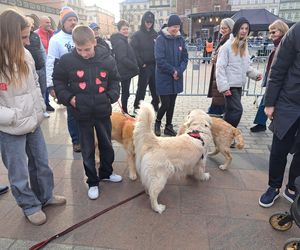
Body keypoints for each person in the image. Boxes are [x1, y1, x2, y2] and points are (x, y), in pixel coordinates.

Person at [0, 10, 66, 226]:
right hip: (10, 128)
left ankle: (45, 196)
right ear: (8, 36)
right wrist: (14, 117)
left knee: (41, 163)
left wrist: (38, 110)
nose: (28, 42)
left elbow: (35, 85)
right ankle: (29, 205)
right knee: (18, 172)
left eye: (28, 36)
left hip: (33, 121)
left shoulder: (26, 54)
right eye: (23, 37)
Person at [53, 25, 122, 200]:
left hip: (102, 109)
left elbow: (115, 80)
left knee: (106, 144)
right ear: (74, 45)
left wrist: (110, 96)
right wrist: (69, 98)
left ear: (94, 42)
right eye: (79, 49)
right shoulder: (67, 60)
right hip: (81, 112)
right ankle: (92, 181)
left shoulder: (107, 58)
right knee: (87, 149)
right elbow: (58, 81)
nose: (84, 53)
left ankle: (106, 172)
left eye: (87, 49)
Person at [259, 21, 300, 208]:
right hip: (288, 102)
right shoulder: (296, 32)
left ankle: (293, 186)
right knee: (279, 148)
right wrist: (269, 102)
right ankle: (273, 187)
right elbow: (278, 68)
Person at [216, 17, 262, 131]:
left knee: (231, 111)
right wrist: (224, 87)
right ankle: (229, 134)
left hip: (238, 85)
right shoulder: (227, 46)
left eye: (246, 28)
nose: (244, 31)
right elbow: (220, 68)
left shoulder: (243, 46)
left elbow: (246, 66)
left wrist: (255, 74)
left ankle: (222, 135)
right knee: (237, 110)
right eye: (242, 28)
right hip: (230, 86)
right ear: (236, 29)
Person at [46, 7, 81, 153]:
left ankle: (88, 137)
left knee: (85, 111)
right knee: (72, 113)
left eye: (74, 20)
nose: (73, 22)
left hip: (84, 80)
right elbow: (50, 62)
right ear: (63, 22)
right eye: (69, 20)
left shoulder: (80, 35)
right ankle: (76, 140)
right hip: (67, 83)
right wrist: (51, 85)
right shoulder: (56, 39)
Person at [250, 20, 289, 133]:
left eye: (273, 32)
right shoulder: (279, 45)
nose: (271, 35)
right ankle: (261, 123)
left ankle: (265, 125)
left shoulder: (285, 46)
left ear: (282, 31)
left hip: (279, 81)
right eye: (270, 32)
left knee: (267, 102)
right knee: (265, 101)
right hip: (274, 80)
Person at [154, 14, 188, 136]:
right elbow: (160, 60)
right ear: (168, 26)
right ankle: (157, 122)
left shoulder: (180, 40)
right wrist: (173, 71)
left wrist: (179, 71)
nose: (175, 29)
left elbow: (185, 58)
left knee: (172, 103)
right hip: (164, 78)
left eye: (178, 26)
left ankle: (169, 126)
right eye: (173, 26)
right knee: (165, 103)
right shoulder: (160, 39)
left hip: (176, 78)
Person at [130, 11, 160, 114]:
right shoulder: (137, 35)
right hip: (144, 66)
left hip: (154, 66)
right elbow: (133, 50)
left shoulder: (155, 34)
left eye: (151, 22)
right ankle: (137, 107)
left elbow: (159, 49)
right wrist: (140, 62)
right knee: (141, 89)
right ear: (143, 21)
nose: (149, 23)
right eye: (147, 21)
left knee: (155, 88)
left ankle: (155, 105)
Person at [110, 19, 139, 114]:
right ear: (119, 30)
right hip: (124, 71)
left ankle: (124, 111)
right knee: (125, 93)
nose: (126, 31)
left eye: (127, 29)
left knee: (126, 93)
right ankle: (124, 112)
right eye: (123, 29)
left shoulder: (123, 40)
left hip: (125, 71)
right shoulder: (120, 42)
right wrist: (134, 66)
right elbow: (122, 58)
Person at [207, 18, 234, 116]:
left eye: (225, 28)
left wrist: (216, 58)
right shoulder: (223, 39)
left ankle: (215, 114)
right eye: (221, 28)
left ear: (230, 28)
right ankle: (215, 112)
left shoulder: (229, 41)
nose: (222, 30)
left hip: (223, 73)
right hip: (219, 72)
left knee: (219, 97)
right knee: (218, 96)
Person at [25, 16, 49, 118]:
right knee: (30, 91)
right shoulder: (21, 36)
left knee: (42, 89)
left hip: (41, 68)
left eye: (33, 24)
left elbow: (42, 50)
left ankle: (42, 109)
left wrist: (46, 64)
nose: (33, 26)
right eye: (31, 24)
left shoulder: (35, 35)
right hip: (28, 70)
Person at [35, 15, 55, 112]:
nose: (49, 24)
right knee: (43, 85)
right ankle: (44, 104)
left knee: (49, 83)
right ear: (41, 23)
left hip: (52, 62)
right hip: (42, 64)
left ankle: (47, 102)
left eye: (50, 22)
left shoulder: (52, 34)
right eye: (47, 22)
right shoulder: (36, 34)